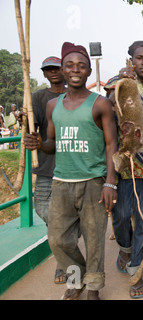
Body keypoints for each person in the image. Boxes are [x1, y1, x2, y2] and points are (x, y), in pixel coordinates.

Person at [23, 42, 118, 300]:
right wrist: (39, 144)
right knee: (58, 240)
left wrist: (111, 182)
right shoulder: (53, 106)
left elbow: (112, 144)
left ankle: (93, 288)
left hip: (94, 182)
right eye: (70, 65)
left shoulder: (100, 104)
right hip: (61, 182)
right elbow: (52, 144)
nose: (76, 70)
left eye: (81, 66)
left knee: (94, 239)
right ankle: (78, 278)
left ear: (88, 72)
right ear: (63, 71)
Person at [104, 40, 143, 299]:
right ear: (131, 59)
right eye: (139, 57)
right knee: (120, 216)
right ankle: (124, 246)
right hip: (124, 161)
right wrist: (122, 81)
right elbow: (108, 107)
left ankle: (137, 272)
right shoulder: (118, 81)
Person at [30, 56, 67, 283]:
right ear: (44, 74)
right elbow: (33, 126)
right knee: (44, 210)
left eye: (56, 68)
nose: (53, 72)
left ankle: (63, 264)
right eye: (48, 69)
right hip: (45, 165)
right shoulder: (38, 98)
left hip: (68, 166)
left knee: (67, 215)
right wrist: (27, 125)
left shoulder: (72, 96)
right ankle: (64, 239)